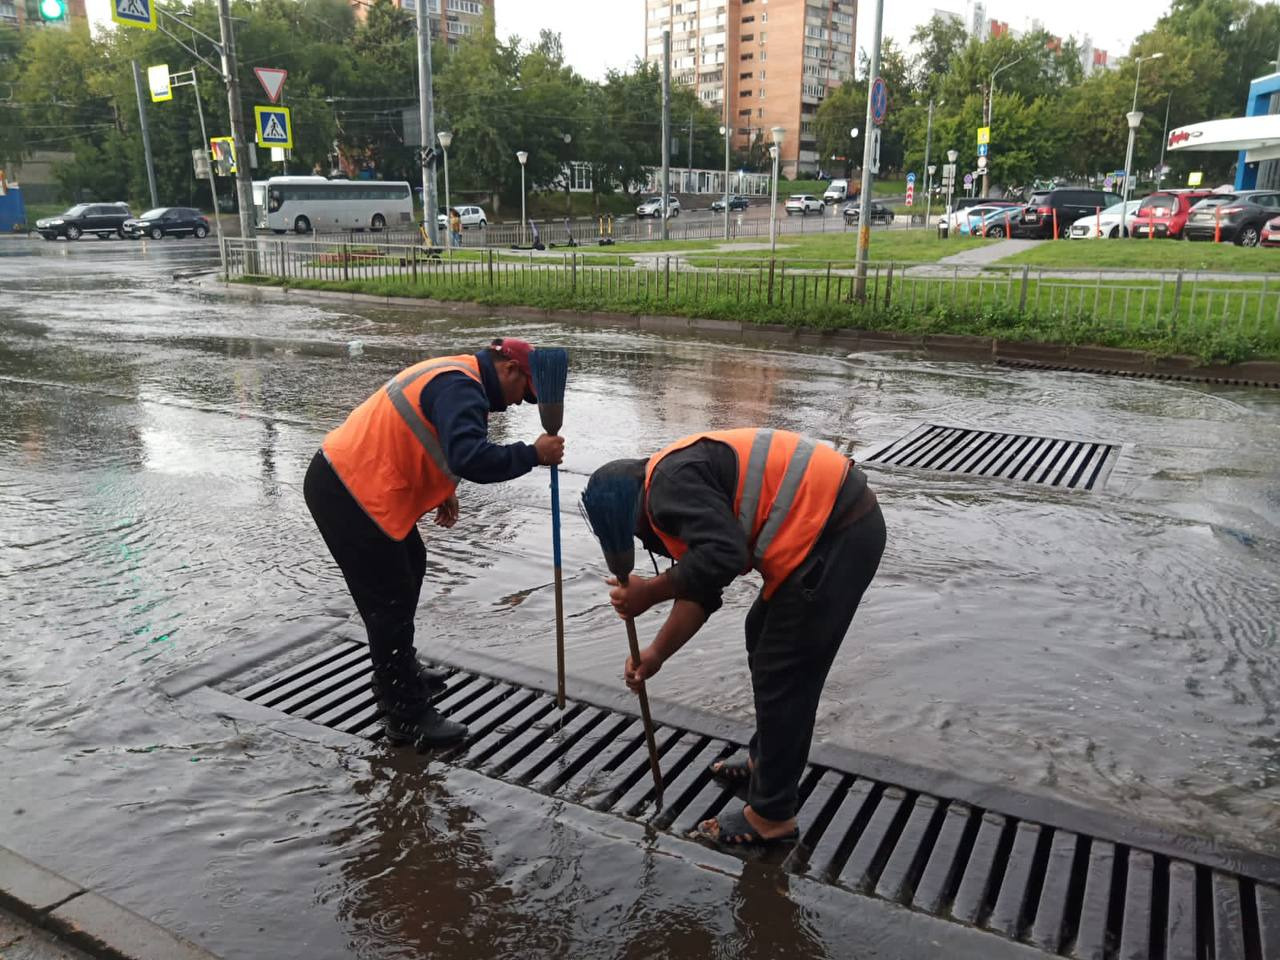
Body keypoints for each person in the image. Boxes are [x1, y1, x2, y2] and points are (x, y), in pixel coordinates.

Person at [584, 429, 885, 848]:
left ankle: (771, 815)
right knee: (762, 634)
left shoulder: (666, 491)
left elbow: (724, 557)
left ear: (634, 512)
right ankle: (765, 760)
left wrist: (649, 592)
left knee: (784, 671)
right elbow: (702, 587)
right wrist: (655, 655)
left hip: (837, 533)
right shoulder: (673, 483)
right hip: (826, 528)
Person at [304, 338, 565, 748]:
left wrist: (442, 485)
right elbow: (471, 457)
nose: (519, 404)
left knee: (410, 564)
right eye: (524, 394)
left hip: (354, 482)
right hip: (349, 492)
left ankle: (399, 669)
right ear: (510, 370)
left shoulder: (457, 372)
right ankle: (405, 716)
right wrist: (532, 454)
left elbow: (423, 430)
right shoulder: (462, 387)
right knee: (388, 601)